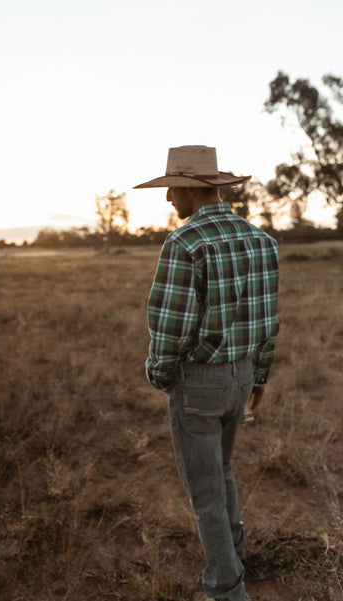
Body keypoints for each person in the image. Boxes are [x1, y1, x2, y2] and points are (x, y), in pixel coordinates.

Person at [134, 146, 279, 601]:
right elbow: (268, 319)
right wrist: (259, 376)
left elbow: (169, 326)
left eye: (171, 190)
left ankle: (226, 589)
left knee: (205, 493)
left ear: (190, 190)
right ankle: (236, 555)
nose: (168, 200)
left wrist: (159, 375)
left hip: (199, 381)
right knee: (223, 469)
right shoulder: (262, 241)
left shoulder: (185, 243)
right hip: (241, 378)